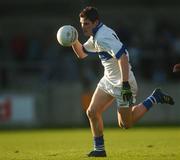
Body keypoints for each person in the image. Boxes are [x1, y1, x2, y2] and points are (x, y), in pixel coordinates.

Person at [71, 6, 175, 157]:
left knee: (126, 124)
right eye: (81, 24)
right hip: (108, 80)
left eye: (86, 23)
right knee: (92, 112)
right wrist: (73, 40)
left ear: (95, 22)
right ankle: (99, 149)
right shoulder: (96, 35)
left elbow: (123, 57)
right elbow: (81, 54)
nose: (83, 27)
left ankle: (155, 97)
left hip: (123, 83)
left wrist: (125, 84)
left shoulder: (102, 37)